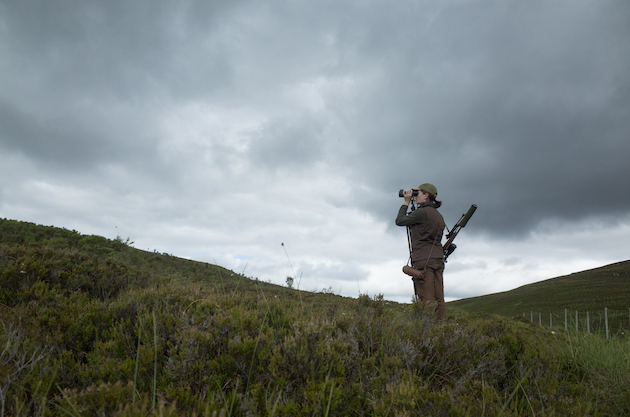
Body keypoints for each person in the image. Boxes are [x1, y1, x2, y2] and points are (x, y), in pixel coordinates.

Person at [395, 183, 446, 319]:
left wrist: (406, 203)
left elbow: (400, 221)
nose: (415, 196)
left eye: (418, 193)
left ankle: (427, 330)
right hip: (437, 259)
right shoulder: (438, 215)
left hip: (423, 260)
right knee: (439, 297)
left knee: (425, 297)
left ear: (426, 195)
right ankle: (441, 327)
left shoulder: (422, 213)